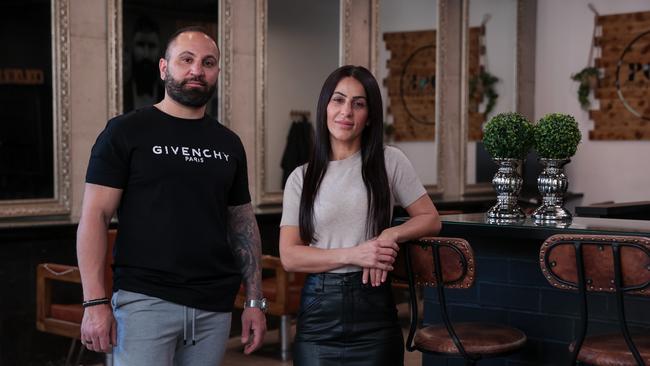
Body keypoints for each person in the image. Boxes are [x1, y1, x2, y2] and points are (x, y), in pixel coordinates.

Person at [76, 26, 266, 366]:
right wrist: (94, 303)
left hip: (213, 307)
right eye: (187, 60)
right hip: (144, 302)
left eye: (208, 62)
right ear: (164, 68)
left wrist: (254, 301)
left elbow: (242, 222)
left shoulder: (228, 143)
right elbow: (95, 217)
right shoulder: (125, 131)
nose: (197, 70)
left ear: (217, 72)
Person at [279, 65, 441, 366]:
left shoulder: (389, 161)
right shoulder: (301, 178)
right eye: (338, 100)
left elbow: (430, 218)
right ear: (325, 107)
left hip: (374, 309)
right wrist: (358, 253)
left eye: (359, 103)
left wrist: (390, 233)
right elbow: (290, 256)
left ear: (369, 117)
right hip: (319, 312)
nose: (346, 112)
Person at [123, 16, 165, 112]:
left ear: (159, 50)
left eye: (152, 46)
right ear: (132, 48)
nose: (146, 54)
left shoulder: (169, 97)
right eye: (140, 45)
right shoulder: (121, 94)